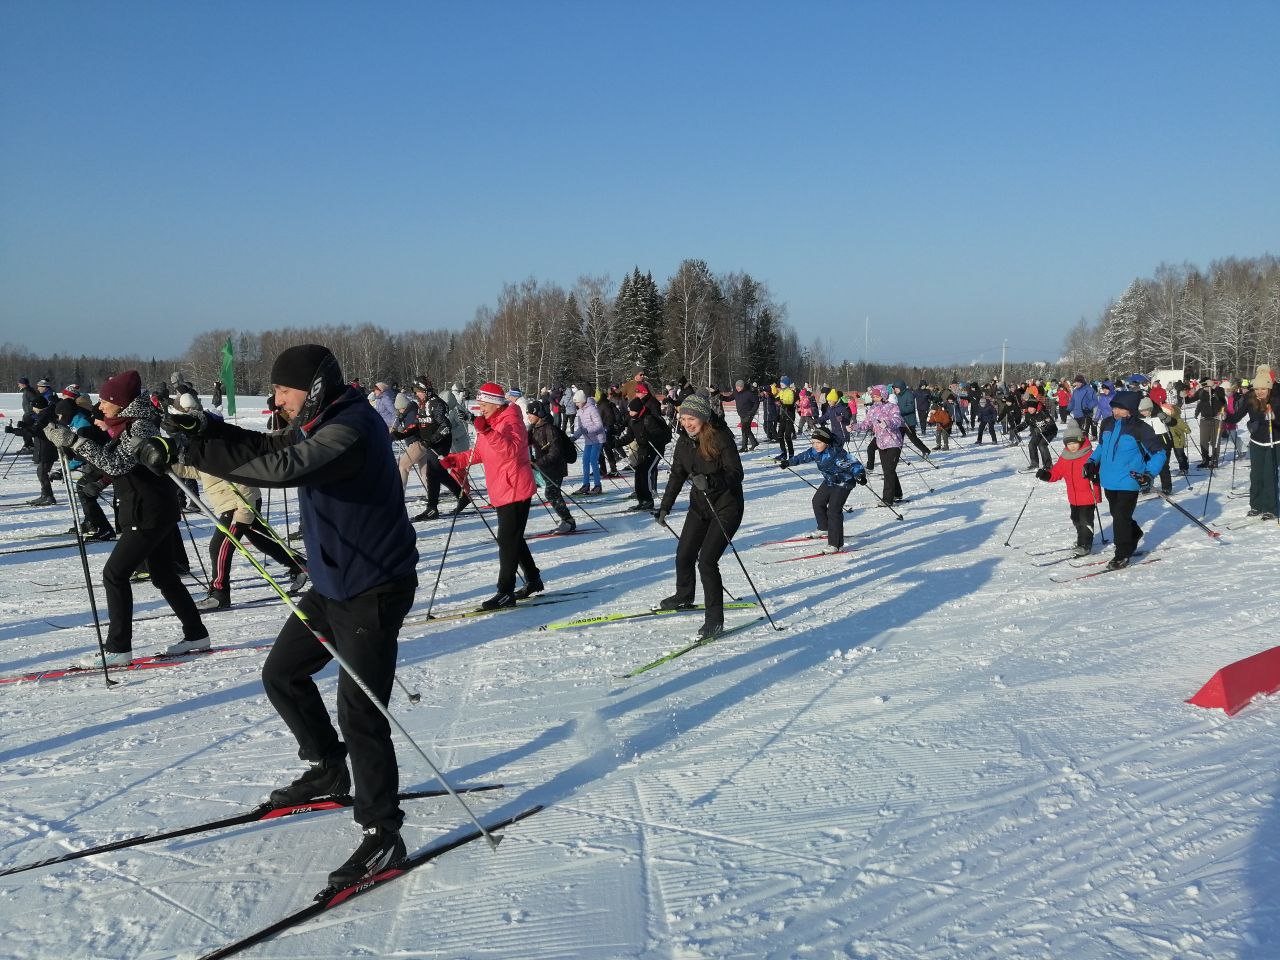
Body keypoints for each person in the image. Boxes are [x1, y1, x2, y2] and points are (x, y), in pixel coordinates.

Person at [145, 344, 419, 888]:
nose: (277, 399)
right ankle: (328, 768)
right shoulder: (320, 419)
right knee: (282, 675)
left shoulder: (352, 428)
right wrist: (201, 429)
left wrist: (192, 451)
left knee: (361, 714)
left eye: (284, 390)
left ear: (313, 387)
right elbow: (268, 444)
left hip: (372, 589)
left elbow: (285, 466)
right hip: (333, 580)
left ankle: (383, 833)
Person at [42, 369, 208, 664]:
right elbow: (113, 460)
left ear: (120, 402)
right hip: (151, 507)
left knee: (114, 574)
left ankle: (119, 648)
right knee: (164, 576)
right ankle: (196, 634)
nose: (101, 406)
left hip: (148, 511)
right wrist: (85, 463)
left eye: (106, 401)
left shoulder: (140, 426)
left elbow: (118, 463)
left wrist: (74, 442)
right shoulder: (128, 424)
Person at [439, 383, 544, 607]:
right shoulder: (493, 421)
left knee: (507, 540)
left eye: (484, 403)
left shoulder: (511, 419)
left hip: (515, 487)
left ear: (496, 403)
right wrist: (455, 460)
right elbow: (482, 452)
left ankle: (505, 591)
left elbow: (512, 451)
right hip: (502, 488)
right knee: (511, 537)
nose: (480, 407)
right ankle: (533, 579)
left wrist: (487, 431)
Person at [654, 395, 744, 641]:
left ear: (703, 418)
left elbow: (736, 473)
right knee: (684, 553)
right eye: (683, 418)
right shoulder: (684, 442)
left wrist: (712, 481)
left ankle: (714, 620)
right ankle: (684, 595)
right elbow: (676, 475)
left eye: (691, 418)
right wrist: (665, 507)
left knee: (706, 561)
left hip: (727, 507)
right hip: (700, 506)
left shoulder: (720, 437)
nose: (686, 423)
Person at [1084, 390, 1167, 570]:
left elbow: (1159, 453)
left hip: (1130, 479)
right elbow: (1102, 447)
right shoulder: (1106, 423)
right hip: (1108, 478)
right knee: (1119, 515)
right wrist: (1091, 461)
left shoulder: (1140, 428)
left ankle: (1122, 554)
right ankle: (1135, 533)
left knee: (1120, 517)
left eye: (1120, 408)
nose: (1115, 411)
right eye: (1114, 407)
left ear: (1129, 409)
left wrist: (1149, 473)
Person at [780, 425, 867, 553]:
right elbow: (803, 456)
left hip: (844, 482)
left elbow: (854, 464)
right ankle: (824, 527)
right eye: (813, 442)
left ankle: (836, 544)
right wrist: (789, 462)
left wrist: (859, 475)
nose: (815, 445)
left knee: (833, 510)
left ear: (826, 442)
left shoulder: (837, 454)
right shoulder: (815, 451)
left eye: (819, 442)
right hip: (830, 480)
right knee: (818, 502)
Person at [395, 376, 467, 521]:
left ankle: (432, 508)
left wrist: (431, 440)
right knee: (438, 473)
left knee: (432, 473)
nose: (417, 394)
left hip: (440, 443)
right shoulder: (423, 404)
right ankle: (461, 497)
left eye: (419, 391)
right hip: (430, 442)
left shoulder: (436, 404)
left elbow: (446, 426)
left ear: (426, 390)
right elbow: (417, 425)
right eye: (415, 391)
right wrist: (401, 434)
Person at [1036, 419, 1102, 558]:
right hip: (1073, 497)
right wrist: (1046, 475)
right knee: (1076, 519)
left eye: (1074, 443)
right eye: (1069, 443)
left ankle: (1085, 545)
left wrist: (1095, 474)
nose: (1072, 446)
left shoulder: (1089, 454)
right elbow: (1057, 473)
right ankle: (1081, 539)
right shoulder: (1065, 457)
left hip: (1088, 495)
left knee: (1085, 520)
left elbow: (1100, 469)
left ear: (1081, 441)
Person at [1222, 364, 1279, 520]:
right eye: (1257, 388)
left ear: (1269, 388)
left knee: (1269, 476)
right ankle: (1256, 506)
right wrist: (1226, 416)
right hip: (1256, 441)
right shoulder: (1249, 398)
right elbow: (1237, 417)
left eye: (1263, 389)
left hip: (1274, 442)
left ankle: (1270, 508)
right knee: (1256, 475)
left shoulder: (1276, 399)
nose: (1259, 392)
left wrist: (1274, 417)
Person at [525, 400, 576, 534]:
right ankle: (566, 520)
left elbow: (555, 452)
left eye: (530, 414)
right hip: (545, 467)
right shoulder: (534, 428)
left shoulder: (549, 429)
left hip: (556, 467)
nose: (528, 416)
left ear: (539, 414)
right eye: (527, 414)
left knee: (551, 493)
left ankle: (568, 521)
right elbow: (525, 442)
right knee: (551, 493)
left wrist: (538, 462)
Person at [849, 386, 905, 505]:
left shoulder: (892, 407)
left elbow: (898, 421)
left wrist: (887, 423)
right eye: (873, 396)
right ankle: (897, 493)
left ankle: (887, 499)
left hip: (894, 442)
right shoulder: (873, 409)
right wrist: (854, 427)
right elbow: (866, 424)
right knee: (888, 470)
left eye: (877, 396)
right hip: (881, 443)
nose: (875, 398)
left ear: (883, 395)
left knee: (889, 471)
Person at [617, 396, 672, 512]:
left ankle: (648, 500)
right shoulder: (632, 421)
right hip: (643, 450)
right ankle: (641, 500)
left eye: (632, 410)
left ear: (638, 410)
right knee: (638, 472)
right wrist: (615, 443)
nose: (630, 413)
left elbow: (660, 436)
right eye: (629, 410)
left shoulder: (649, 419)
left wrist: (650, 437)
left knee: (646, 472)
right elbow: (629, 437)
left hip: (655, 449)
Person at [570, 389, 605, 495]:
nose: (576, 404)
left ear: (583, 400)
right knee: (585, 461)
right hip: (588, 441)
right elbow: (581, 428)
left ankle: (598, 485)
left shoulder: (592, 409)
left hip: (598, 439)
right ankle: (586, 485)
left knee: (593, 461)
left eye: (577, 402)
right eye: (575, 403)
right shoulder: (580, 411)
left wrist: (588, 430)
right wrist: (574, 437)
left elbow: (599, 425)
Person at [1013, 395, 1057, 472]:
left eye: (1031, 408)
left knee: (1042, 445)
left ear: (1035, 408)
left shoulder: (1043, 412)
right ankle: (1034, 464)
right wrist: (1018, 428)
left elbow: (1051, 424)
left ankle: (1048, 465)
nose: (1030, 409)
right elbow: (1026, 423)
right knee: (1031, 444)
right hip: (1038, 432)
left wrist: (1042, 428)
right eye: (1028, 408)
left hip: (1050, 432)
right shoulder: (1029, 415)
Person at [890, 380, 932, 457]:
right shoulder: (897, 396)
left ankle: (925, 450)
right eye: (894, 388)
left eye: (896, 388)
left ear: (901, 387)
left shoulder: (909, 394)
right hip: (900, 421)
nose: (895, 390)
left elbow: (911, 408)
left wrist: (898, 411)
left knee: (913, 438)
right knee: (898, 439)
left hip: (909, 422)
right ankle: (895, 456)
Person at [733, 379, 759, 451]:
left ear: (743, 387)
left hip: (748, 414)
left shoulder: (749, 393)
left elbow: (756, 402)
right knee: (746, 429)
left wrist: (752, 411)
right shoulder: (736, 392)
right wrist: (722, 397)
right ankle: (753, 443)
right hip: (742, 414)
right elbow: (729, 398)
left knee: (745, 429)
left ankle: (745, 447)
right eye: (736, 386)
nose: (737, 388)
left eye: (739, 387)